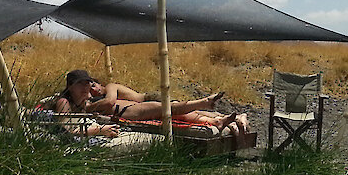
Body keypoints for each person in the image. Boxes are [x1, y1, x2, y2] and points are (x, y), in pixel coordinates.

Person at [52, 69, 247, 132]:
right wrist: (97, 128)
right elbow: (67, 127)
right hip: (127, 113)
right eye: (82, 85)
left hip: (133, 107)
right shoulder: (65, 102)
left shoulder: (104, 92)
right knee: (167, 110)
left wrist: (91, 106)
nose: (87, 88)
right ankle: (210, 110)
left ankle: (212, 113)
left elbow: (107, 103)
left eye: (89, 84)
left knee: (170, 110)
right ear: (70, 86)